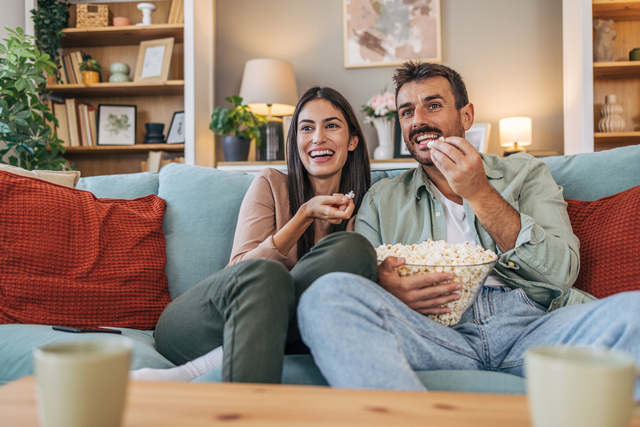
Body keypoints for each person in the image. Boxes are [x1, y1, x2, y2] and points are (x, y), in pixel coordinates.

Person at [297, 62, 640, 395]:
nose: (418, 120)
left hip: (532, 327)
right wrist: (385, 285)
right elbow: (361, 280)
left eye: (433, 105)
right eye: (407, 111)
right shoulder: (381, 198)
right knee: (325, 296)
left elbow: (560, 272)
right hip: (433, 334)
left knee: (633, 312)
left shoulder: (525, 173)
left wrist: (480, 193)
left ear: (466, 116)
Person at [132, 86, 377, 383]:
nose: (317, 138)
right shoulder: (270, 183)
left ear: (352, 140)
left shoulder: (368, 205)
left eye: (331, 126)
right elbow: (241, 269)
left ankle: (202, 371)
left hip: (279, 330)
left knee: (350, 252)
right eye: (306, 128)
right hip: (205, 321)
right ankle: (197, 368)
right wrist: (303, 216)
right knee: (266, 274)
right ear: (295, 140)